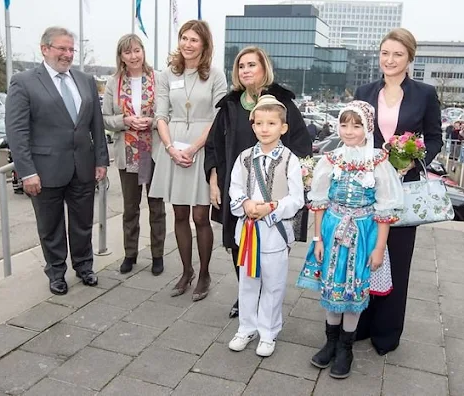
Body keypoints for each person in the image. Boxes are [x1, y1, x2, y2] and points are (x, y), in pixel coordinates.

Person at [297, 101, 403, 378]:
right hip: (333, 230)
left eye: (356, 125)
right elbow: (319, 202)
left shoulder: (378, 162)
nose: (349, 131)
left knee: (354, 290)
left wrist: (379, 248)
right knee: (332, 288)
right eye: (344, 124)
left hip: (362, 233)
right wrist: (318, 239)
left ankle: (346, 347)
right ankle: (330, 342)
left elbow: (385, 210)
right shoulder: (331, 159)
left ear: (367, 128)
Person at [353, 28, 443, 355]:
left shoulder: (425, 94)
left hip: (404, 188)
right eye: (385, 53)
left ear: (409, 58)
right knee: (365, 255)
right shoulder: (364, 90)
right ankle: (360, 323)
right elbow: (355, 134)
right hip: (367, 187)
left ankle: (387, 332)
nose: (389, 60)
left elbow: (434, 138)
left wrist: (415, 158)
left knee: (398, 258)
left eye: (398, 54)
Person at [205, 46, 312, 318]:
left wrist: (289, 180)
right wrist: (214, 179)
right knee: (239, 242)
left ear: (264, 68)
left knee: (271, 247)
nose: (246, 71)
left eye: (252, 65)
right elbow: (213, 147)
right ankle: (246, 295)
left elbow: (302, 144)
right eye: (241, 66)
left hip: (272, 191)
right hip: (238, 189)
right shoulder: (229, 106)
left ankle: (268, 301)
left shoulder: (282, 104)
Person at [6, 27, 109, 295]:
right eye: (62, 48)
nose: (67, 54)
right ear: (45, 49)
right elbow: (17, 132)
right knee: (50, 226)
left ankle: (84, 267)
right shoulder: (24, 81)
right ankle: (56, 272)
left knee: (83, 222)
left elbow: (95, 124)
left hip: (83, 167)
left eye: (71, 49)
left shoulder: (85, 80)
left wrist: (101, 159)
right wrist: (26, 172)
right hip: (45, 170)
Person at [150, 20, 227, 301]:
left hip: (203, 147)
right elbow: (160, 114)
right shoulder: (166, 74)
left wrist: (194, 147)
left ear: (204, 44)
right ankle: (186, 271)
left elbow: (220, 117)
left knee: (200, 216)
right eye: (184, 37)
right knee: (180, 214)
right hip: (173, 146)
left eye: (194, 39)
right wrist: (170, 147)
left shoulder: (215, 75)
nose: (187, 44)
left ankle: (205, 272)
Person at [227, 95, 304, 357]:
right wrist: (245, 204)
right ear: (253, 126)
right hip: (248, 231)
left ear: (283, 127)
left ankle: (268, 331)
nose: (265, 128)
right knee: (248, 282)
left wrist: (271, 208)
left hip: (275, 233)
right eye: (259, 123)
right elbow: (235, 188)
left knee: (273, 284)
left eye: (271, 123)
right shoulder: (244, 157)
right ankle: (246, 327)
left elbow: (296, 199)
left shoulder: (290, 160)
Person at [102, 34, 166, 275]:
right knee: (131, 208)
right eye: (128, 52)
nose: (134, 56)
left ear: (143, 51)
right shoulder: (113, 83)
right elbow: (105, 117)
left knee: (156, 207)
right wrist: (124, 120)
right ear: (121, 56)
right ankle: (130, 254)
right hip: (127, 152)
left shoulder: (158, 79)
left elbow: (166, 111)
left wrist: (150, 122)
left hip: (153, 151)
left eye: (137, 50)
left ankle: (158, 255)